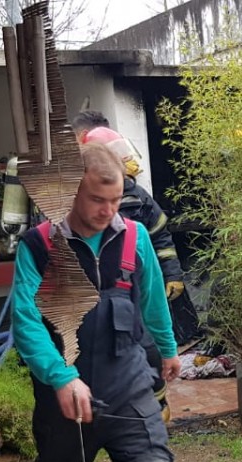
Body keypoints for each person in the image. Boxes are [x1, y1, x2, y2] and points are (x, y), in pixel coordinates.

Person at [11, 142, 207, 462]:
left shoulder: (134, 238)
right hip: (66, 401)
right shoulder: (40, 246)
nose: (107, 210)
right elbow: (24, 320)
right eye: (97, 200)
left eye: (116, 200)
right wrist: (61, 378)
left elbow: (153, 299)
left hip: (129, 389)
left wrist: (169, 348)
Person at [75, 110, 201, 422]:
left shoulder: (138, 199)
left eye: (115, 199)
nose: (108, 210)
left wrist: (171, 274)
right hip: (91, 307)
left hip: (134, 293)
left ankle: (154, 413)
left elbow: (161, 236)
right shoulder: (59, 224)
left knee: (147, 350)